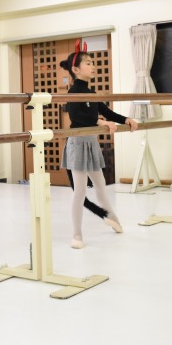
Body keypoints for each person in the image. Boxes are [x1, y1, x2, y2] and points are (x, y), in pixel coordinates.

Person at [59, 39, 139, 249]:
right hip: (78, 143)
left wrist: (126, 119)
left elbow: (106, 112)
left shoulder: (91, 93)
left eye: (92, 62)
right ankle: (77, 235)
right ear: (76, 69)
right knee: (80, 191)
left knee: (101, 186)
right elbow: (77, 117)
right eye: (88, 63)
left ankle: (112, 219)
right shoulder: (73, 93)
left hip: (91, 143)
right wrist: (100, 122)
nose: (93, 65)